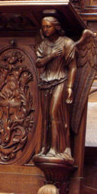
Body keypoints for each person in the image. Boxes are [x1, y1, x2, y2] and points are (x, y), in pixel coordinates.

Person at [36, 16, 76, 162]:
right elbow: (39, 63)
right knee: (45, 116)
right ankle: (44, 148)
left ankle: (56, 148)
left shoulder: (67, 43)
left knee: (54, 114)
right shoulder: (43, 44)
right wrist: (52, 56)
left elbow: (72, 66)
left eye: (48, 26)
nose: (45, 29)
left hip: (61, 80)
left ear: (56, 27)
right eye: (43, 27)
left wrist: (70, 87)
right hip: (45, 82)